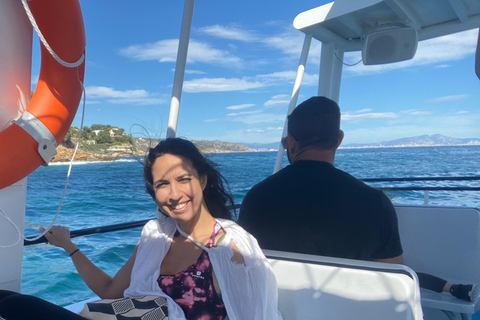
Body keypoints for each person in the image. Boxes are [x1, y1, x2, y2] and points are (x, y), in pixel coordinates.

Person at [0, 138, 280, 320]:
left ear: (203, 181)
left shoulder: (229, 248)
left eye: (183, 179)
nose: (174, 194)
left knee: (16, 307)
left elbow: (254, 314)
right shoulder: (158, 237)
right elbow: (111, 292)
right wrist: (69, 246)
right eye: (162, 184)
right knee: (9, 300)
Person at [237, 96, 476, 302]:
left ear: (291, 142)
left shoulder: (255, 199)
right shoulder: (375, 203)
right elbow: (394, 281)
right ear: (339, 139)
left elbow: (242, 270)